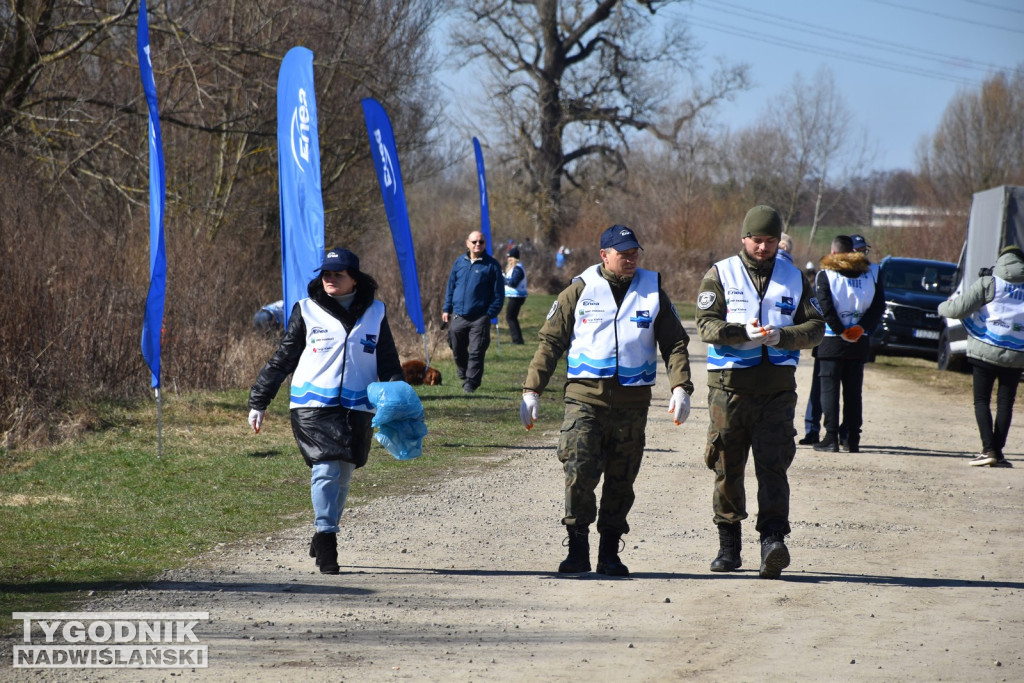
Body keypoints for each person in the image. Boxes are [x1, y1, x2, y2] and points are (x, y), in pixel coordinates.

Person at [520, 224, 693, 577]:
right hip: (585, 400)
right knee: (579, 470)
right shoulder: (578, 291)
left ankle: (610, 552)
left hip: (632, 405)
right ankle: (578, 548)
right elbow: (550, 343)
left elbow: (674, 342)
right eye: (623, 254)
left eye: (634, 253)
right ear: (604, 255)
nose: (630, 259)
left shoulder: (652, 290)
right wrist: (531, 390)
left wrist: (681, 387)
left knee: (621, 478)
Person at [247, 247, 404, 574]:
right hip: (312, 403)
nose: (330, 279)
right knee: (326, 468)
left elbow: (388, 362)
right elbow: (283, 358)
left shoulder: (376, 312)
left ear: (354, 279)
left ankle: (323, 532)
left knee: (345, 472)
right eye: (326, 274)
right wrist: (259, 400)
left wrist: (398, 399)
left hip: (358, 404)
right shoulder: (306, 310)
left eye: (338, 274)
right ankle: (327, 539)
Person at [695, 205, 824, 579]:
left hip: (777, 391)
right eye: (757, 240)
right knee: (727, 466)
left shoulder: (795, 278)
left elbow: (816, 327)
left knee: (773, 467)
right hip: (729, 388)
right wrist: (739, 333)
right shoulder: (720, 273)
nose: (763, 248)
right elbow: (705, 324)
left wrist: (783, 336)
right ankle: (728, 545)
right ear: (743, 239)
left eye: (770, 241)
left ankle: (772, 541)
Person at [937, 245, 1024, 467]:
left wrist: (941, 307)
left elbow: (957, 309)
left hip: (985, 349)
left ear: (1001, 261)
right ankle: (999, 452)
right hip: (1016, 354)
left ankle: (988, 450)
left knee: (981, 400)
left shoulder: (989, 282)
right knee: (1006, 404)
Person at [812, 235, 885, 454]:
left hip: (831, 343)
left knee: (830, 391)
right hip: (858, 342)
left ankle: (831, 438)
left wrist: (840, 331)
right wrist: (859, 328)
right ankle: (853, 439)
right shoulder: (872, 272)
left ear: (833, 253)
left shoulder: (825, 275)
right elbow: (879, 306)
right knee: (854, 393)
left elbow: (825, 307)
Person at [442, 231, 505, 393]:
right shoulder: (459, 263)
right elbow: (451, 287)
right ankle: (463, 370)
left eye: (481, 242)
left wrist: (489, 314)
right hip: (458, 315)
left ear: (485, 244)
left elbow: (499, 295)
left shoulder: (492, 265)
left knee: (477, 351)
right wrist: (446, 308)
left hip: (480, 317)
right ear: (467, 243)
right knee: (456, 347)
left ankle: (471, 383)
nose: (478, 244)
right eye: (475, 241)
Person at [503, 245, 528, 344]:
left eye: (510, 257)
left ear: (514, 258)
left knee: (510, 317)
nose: (508, 259)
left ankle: (517, 340)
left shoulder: (517, 268)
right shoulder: (516, 268)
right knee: (512, 317)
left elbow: (514, 282)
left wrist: (503, 279)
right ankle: (518, 339)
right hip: (516, 297)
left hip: (517, 297)